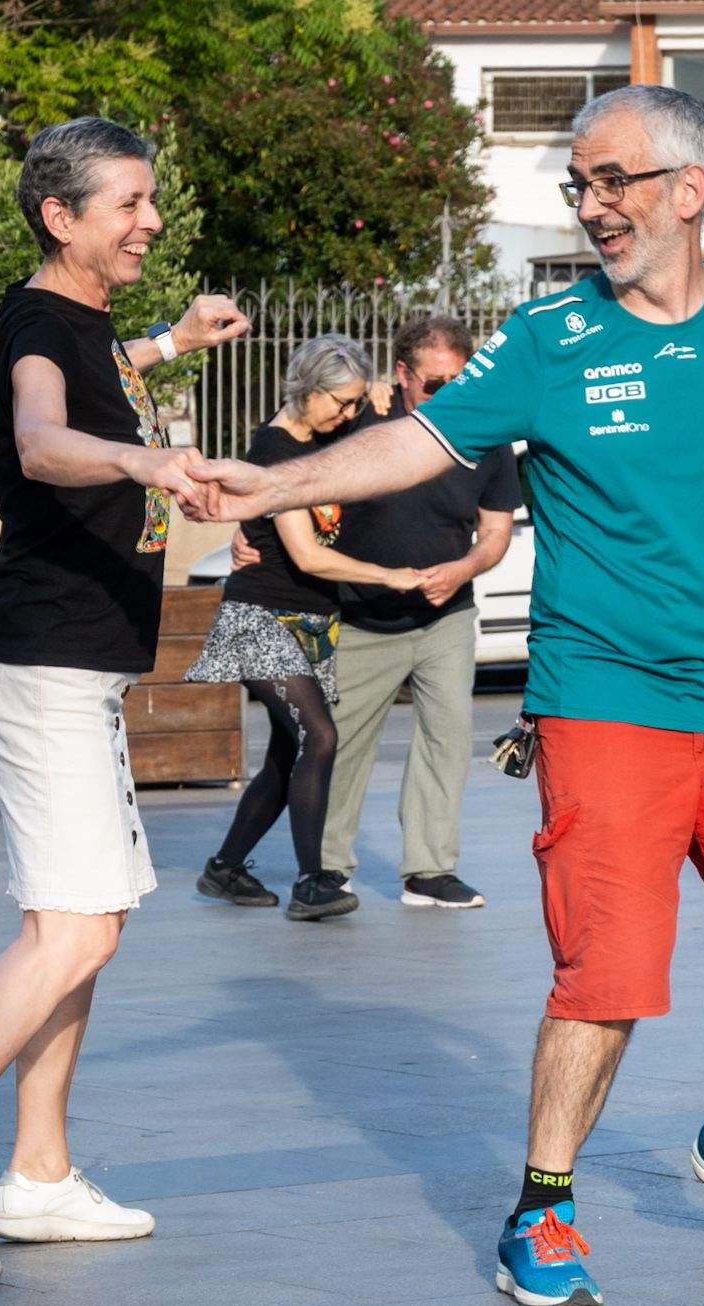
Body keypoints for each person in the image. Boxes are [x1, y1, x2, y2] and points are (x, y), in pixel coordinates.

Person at [188, 84, 704, 1306]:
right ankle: (540, 1212)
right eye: (578, 183)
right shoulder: (550, 338)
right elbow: (420, 442)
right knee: (606, 978)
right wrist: (269, 485)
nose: (591, 205)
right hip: (602, 703)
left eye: (612, 180)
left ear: (688, 189)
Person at [0, 116, 248, 1281]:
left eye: (149, 199)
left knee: (77, 926)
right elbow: (40, 438)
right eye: (128, 203)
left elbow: (99, 381)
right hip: (48, 663)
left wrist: (174, 341)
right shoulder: (35, 326)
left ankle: (39, 1173)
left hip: (78, 663)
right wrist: (143, 460)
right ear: (60, 217)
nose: (150, 221)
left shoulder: (86, 326)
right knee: (75, 928)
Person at [229, 314, 520, 910]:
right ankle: (327, 868)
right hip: (361, 615)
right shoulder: (360, 418)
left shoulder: (487, 439)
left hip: (447, 616)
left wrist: (464, 568)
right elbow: (287, 461)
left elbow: (495, 534)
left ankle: (430, 871)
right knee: (340, 744)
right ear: (403, 374)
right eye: (434, 384)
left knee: (447, 740)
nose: (448, 394)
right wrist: (250, 527)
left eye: (459, 381)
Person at [186, 335, 425, 923]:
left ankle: (225, 868)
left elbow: (373, 421)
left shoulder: (324, 431)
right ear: (307, 390)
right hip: (261, 615)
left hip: (311, 622)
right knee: (319, 736)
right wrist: (389, 577)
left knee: (287, 751)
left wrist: (374, 395)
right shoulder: (277, 451)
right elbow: (308, 555)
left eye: (353, 403)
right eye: (340, 403)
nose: (348, 414)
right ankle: (312, 881)